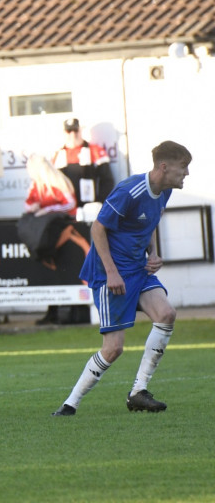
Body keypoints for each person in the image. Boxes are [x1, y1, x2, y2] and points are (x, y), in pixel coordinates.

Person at [52, 141, 191, 417]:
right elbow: (98, 228)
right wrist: (112, 272)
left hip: (137, 270)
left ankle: (138, 392)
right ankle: (70, 404)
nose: (186, 173)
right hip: (109, 274)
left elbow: (147, 224)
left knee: (166, 314)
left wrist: (153, 253)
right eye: (183, 167)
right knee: (113, 349)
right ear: (164, 167)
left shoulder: (164, 192)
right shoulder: (130, 190)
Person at [22, 153, 91, 324]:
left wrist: (48, 209)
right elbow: (27, 205)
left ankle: (77, 313)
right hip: (50, 236)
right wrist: (36, 207)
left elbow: (69, 204)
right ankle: (52, 311)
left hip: (67, 232)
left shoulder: (57, 182)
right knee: (52, 273)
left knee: (71, 271)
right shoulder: (36, 185)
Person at [52, 118, 115, 219]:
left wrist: (100, 203)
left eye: (75, 131)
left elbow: (107, 181)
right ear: (64, 133)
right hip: (66, 210)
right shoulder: (58, 155)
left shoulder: (95, 151)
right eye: (69, 131)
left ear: (80, 131)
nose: (73, 135)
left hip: (90, 209)